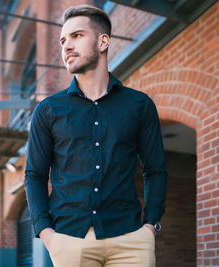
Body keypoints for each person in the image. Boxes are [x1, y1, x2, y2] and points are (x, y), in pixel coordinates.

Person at [24, 4, 167, 267]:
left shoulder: (139, 105)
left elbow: (155, 168)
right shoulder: (48, 110)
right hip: (70, 240)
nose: (66, 46)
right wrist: (46, 233)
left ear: (103, 42)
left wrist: (150, 225)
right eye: (63, 40)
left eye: (76, 36)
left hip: (131, 240)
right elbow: (34, 175)